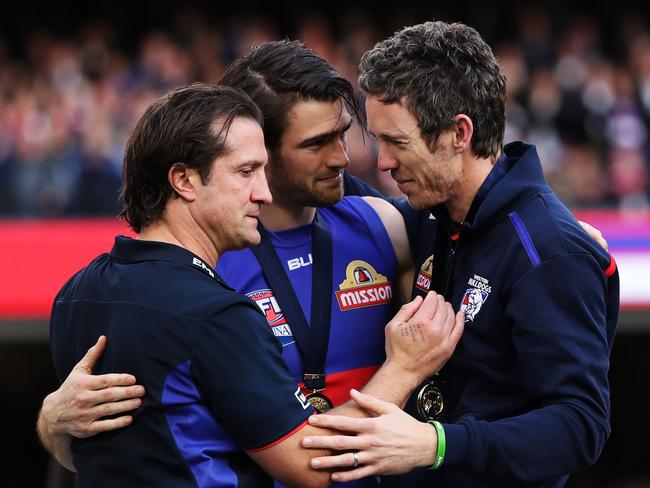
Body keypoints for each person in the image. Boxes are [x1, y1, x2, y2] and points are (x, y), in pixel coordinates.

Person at [40, 76, 464, 485]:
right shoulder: (218, 314)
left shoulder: (75, 294)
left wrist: (50, 423)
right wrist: (404, 368)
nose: (262, 193)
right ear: (183, 179)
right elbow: (310, 464)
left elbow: (101, 447)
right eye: (245, 172)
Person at [301, 21, 620, 488]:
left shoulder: (549, 251)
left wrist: (436, 445)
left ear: (459, 133)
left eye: (397, 142)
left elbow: (580, 427)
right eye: (378, 141)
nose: (383, 161)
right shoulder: (430, 214)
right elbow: (340, 190)